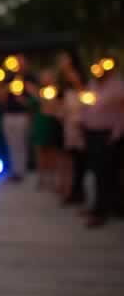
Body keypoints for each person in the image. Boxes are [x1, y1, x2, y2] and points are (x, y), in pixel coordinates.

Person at [81, 60, 124, 228]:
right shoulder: (92, 84)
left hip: (108, 135)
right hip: (92, 133)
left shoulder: (118, 87)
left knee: (106, 174)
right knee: (97, 172)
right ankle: (102, 207)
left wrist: (116, 134)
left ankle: (102, 211)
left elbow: (121, 113)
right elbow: (87, 106)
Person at [57, 52, 86, 205]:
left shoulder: (77, 78)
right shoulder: (62, 81)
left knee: (78, 158)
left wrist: (77, 83)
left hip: (79, 122)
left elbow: (85, 96)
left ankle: (78, 192)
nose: (61, 62)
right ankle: (71, 190)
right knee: (70, 156)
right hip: (67, 123)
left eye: (64, 59)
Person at [29, 69, 63, 190]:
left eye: (47, 76)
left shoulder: (56, 91)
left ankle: (53, 178)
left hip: (51, 123)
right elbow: (31, 106)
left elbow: (54, 107)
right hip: (39, 123)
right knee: (40, 151)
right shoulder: (37, 91)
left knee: (52, 152)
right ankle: (42, 178)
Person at [2, 54, 33, 182]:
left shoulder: (29, 78)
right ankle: (14, 170)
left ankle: (21, 171)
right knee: (11, 143)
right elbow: (2, 97)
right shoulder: (9, 78)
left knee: (21, 143)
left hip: (21, 115)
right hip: (8, 114)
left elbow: (35, 97)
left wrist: (23, 99)